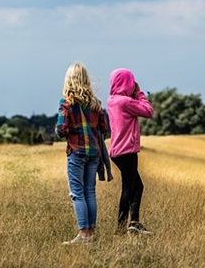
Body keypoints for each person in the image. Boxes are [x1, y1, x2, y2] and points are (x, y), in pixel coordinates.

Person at [56, 63, 108, 245]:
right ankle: (91, 233)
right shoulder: (96, 104)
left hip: (76, 152)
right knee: (90, 192)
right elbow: (104, 129)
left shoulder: (66, 103)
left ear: (69, 80)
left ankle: (83, 235)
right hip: (94, 153)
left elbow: (61, 130)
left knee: (77, 193)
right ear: (86, 80)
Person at [107, 68, 154, 235]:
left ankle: (133, 222)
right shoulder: (125, 102)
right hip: (127, 150)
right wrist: (139, 93)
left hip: (116, 151)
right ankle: (122, 227)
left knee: (136, 186)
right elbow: (148, 111)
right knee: (129, 187)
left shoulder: (112, 100)